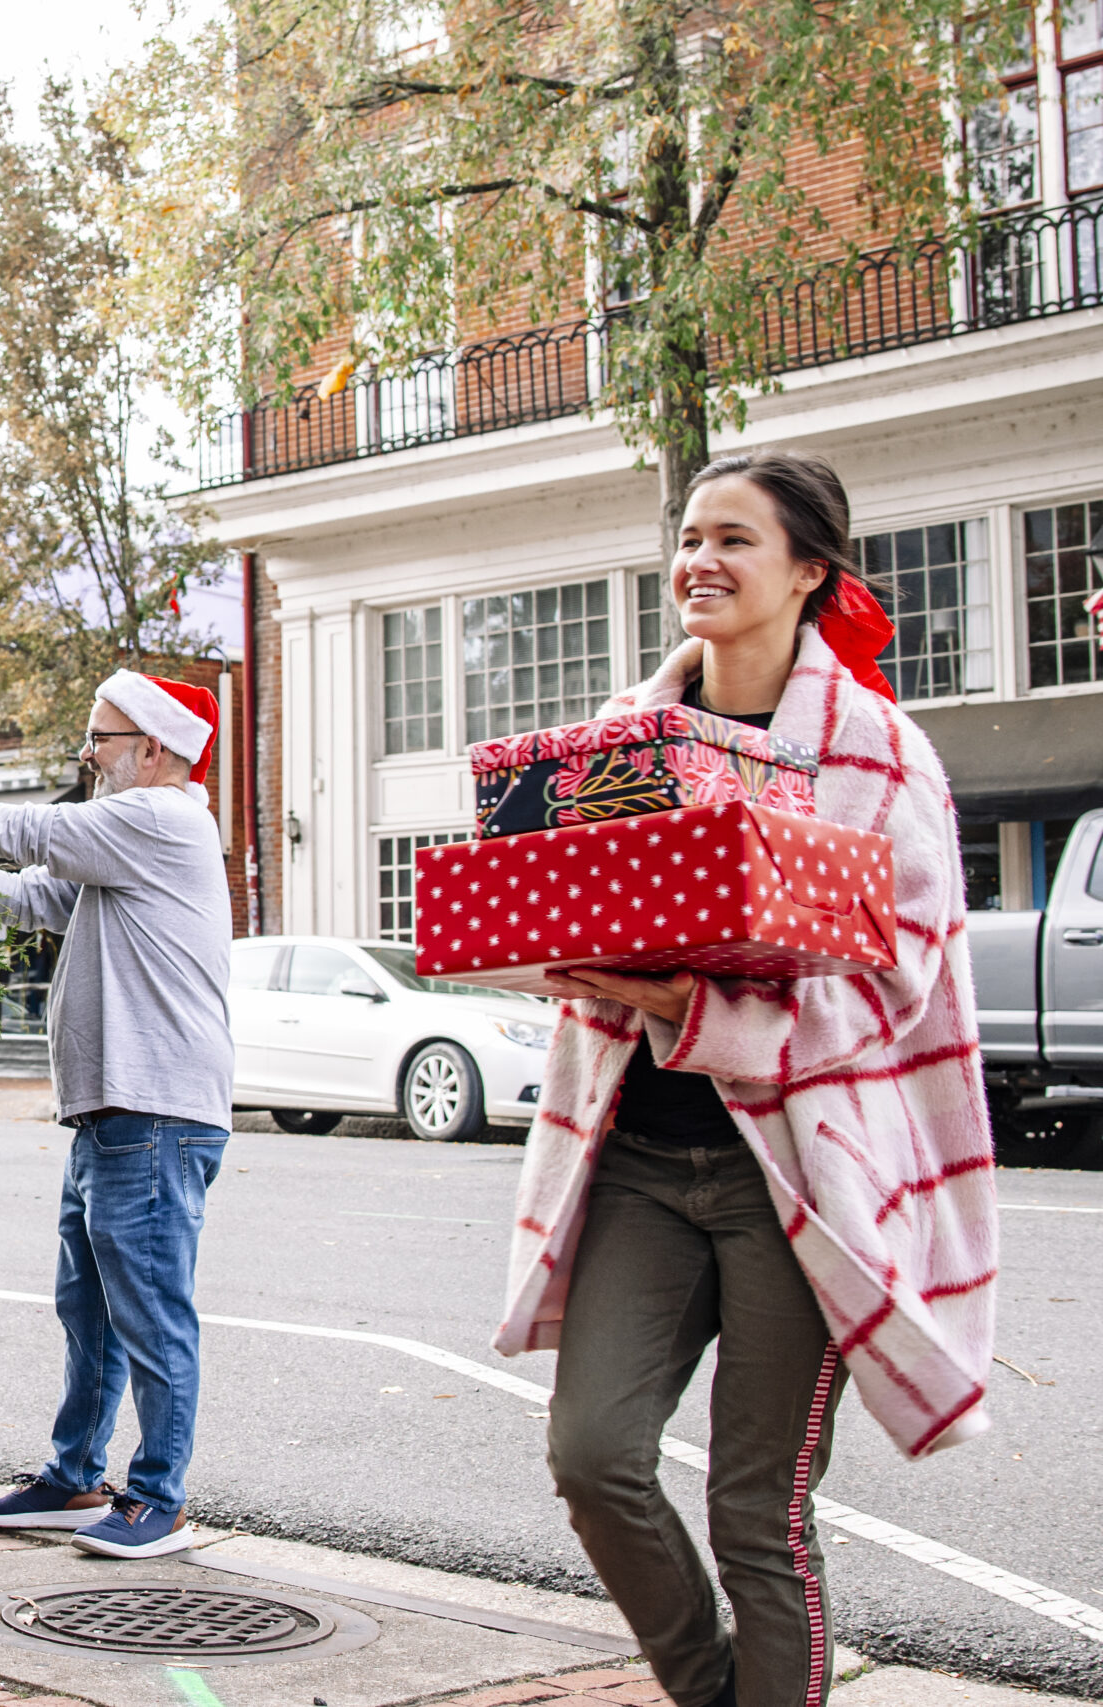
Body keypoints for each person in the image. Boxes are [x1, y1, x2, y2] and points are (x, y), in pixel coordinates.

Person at [503, 448, 996, 1707]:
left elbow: (902, 979)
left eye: (734, 541)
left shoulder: (879, 752)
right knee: (594, 1455)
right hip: (636, 1162)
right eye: (689, 539)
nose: (699, 563)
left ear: (808, 572)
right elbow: (558, 909)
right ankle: (711, 1689)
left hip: (802, 1175)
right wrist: (550, 953)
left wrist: (700, 1006)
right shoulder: (618, 739)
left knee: (755, 1512)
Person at [0, 670, 234, 1561]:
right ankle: (73, 1475)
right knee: (89, 1307)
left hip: (155, 1111)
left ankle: (160, 1497)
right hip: (112, 1112)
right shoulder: (126, 845)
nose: (87, 754)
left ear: (155, 749)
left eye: (101, 736)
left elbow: (34, 832)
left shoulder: (164, 818)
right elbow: (32, 893)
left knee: (151, 1310)